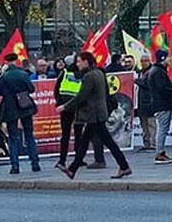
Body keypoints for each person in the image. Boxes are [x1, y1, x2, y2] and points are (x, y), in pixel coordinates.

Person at [57, 51, 131, 180]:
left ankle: (124, 166)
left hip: (94, 115)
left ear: (86, 61)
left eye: (79, 61)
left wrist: (65, 106)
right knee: (86, 142)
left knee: (107, 142)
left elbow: (81, 96)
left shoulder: (89, 76)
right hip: (97, 114)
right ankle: (72, 169)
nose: (77, 64)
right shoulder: (98, 73)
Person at [53, 55, 102, 169]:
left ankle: (62, 160)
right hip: (79, 107)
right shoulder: (85, 74)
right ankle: (78, 159)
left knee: (65, 134)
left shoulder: (65, 72)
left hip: (65, 107)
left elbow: (57, 89)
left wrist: (60, 102)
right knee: (78, 134)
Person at [0, 53, 41, 174]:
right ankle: (35, 163)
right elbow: (31, 89)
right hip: (25, 106)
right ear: (16, 61)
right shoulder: (23, 74)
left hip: (10, 108)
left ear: (6, 62)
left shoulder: (3, 77)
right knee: (29, 135)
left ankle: (15, 166)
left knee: (13, 138)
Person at [145, 50, 172, 164]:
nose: (170, 60)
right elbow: (163, 89)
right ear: (163, 58)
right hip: (162, 104)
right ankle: (160, 153)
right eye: (168, 58)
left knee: (162, 128)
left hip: (160, 103)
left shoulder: (156, 70)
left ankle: (161, 152)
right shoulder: (158, 72)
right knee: (163, 129)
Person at [133, 53, 157, 152]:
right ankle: (146, 143)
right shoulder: (139, 72)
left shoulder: (152, 72)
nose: (144, 63)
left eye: (146, 61)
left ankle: (152, 143)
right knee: (143, 125)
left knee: (151, 124)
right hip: (140, 103)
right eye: (142, 61)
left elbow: (147, 84)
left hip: (149, 102)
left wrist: (136, 81)